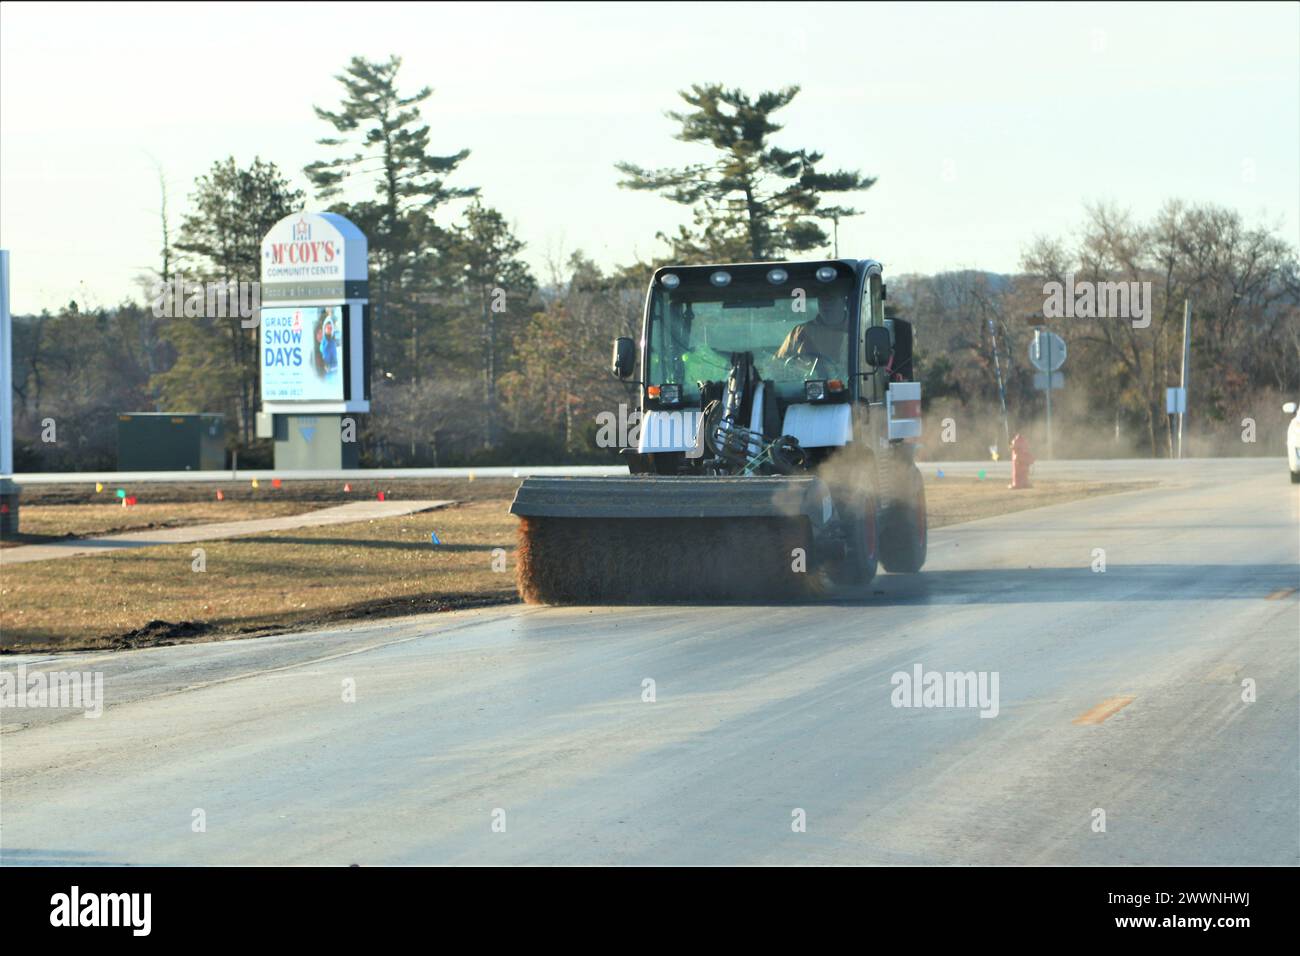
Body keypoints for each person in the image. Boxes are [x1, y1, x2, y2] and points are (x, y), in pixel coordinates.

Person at [775, 293, 849, 371]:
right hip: (806, 382)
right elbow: (778, 365)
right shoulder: (801, 332)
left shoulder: (857, 332)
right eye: (822, 299)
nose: (826, 305)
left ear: (844, 301)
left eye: (831, 299)